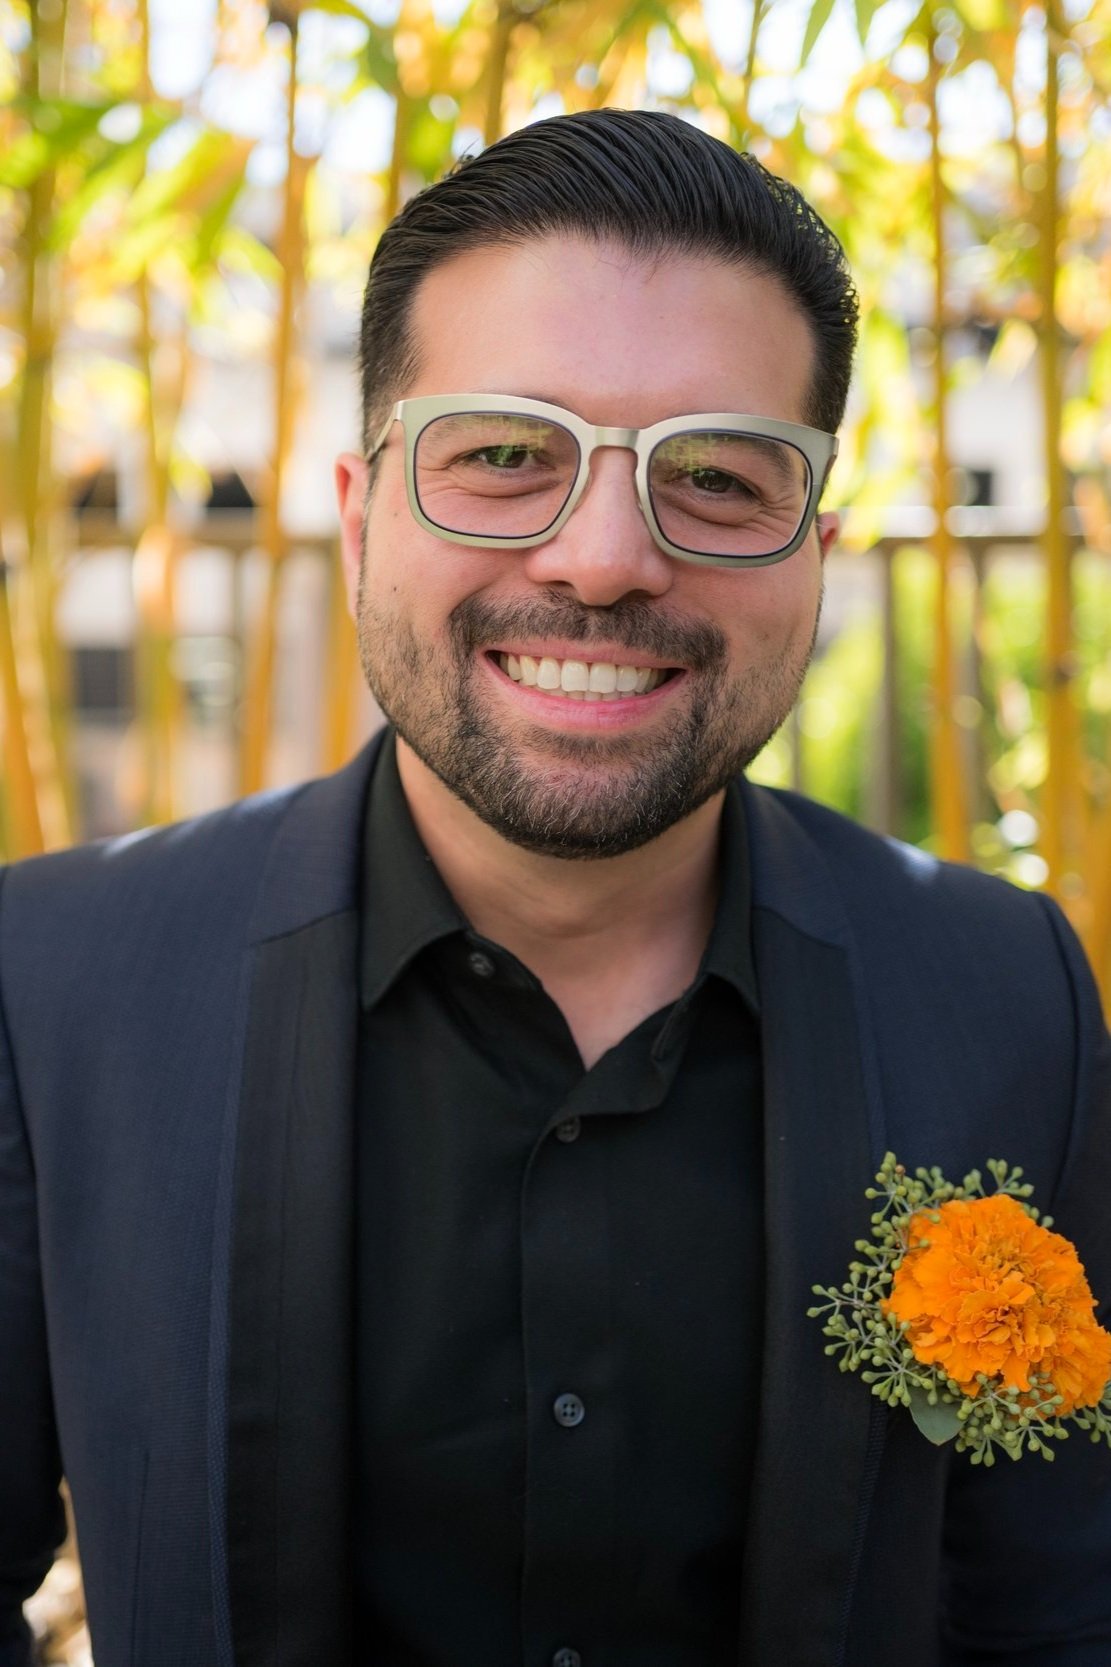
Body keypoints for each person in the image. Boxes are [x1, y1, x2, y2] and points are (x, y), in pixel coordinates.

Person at [1, 108, 1109, 1667]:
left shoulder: (1006, 999)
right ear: (362, 513)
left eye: (715, 475)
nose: (604, 558)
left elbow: (1058, 1609)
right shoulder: (54, 984)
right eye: (506, 456)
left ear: (816, 550)